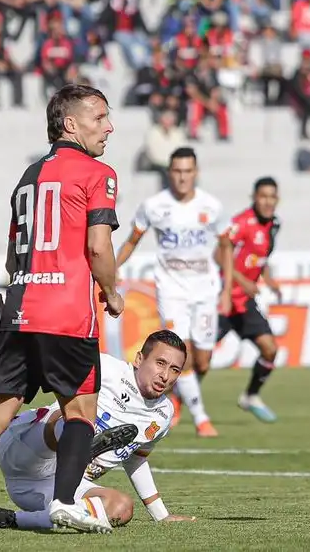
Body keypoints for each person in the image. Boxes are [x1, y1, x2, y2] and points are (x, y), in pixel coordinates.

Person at [0, 84, 125, 535]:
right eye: (100, 117)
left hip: (20, 306)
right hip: (67, 311)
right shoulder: (98, 173)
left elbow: (13, 257)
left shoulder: (29, 176)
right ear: (71, 124)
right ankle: (65, 501)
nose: (109, 127)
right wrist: (111, 290)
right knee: (81, 410)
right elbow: (98, 245)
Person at [0, 330, 196, 531]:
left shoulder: (163, 414)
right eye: (160, 363)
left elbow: (136, 459)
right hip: (27, 450)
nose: (165, 375)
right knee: (74, 420)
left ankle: (12, 519)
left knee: (121, 508)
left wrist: (161, 515)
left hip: (55, 486)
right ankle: (81, 445)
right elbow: (51, 361)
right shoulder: (105, 367)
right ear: (139, 359)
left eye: (174, 369)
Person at [116, 147, 234, 437]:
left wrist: (228, 289)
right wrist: (114, 267)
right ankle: (202, 417)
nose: (182, 177)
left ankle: (178, 395)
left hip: (205, 290)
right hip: (171, 289)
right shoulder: (154, 205)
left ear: (196, 173)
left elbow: (226, 247)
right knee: (184, 352)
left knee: (203, 360)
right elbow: (133, 240)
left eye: (187, 171)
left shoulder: (212, 207)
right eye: (177, 171)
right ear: (170, 173)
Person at [217, 178, 283, 423]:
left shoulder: (274, 225)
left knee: (270, 349)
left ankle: (251, 396)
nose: (267, 201)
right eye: (263, 196)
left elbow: (259, 260)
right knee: (199, 358)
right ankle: (177, 402)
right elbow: (218, 253)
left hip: (244, 303)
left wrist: (270, 280)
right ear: (254, 198)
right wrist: (241, 281)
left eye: (272, 197)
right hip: (223, 298)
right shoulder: (241, 223)